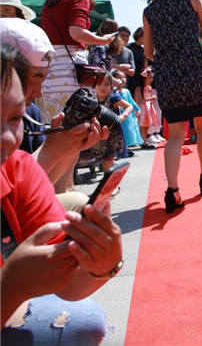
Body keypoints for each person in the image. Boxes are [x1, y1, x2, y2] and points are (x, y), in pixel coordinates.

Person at [1, 44, 123, 344]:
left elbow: (70, 286)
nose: (8, 137)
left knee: (87, 320)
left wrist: (102, 265)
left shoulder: (15, 166)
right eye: (36, 77)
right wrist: (11, 288)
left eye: (15, 118)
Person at [143, 0, 202, 213]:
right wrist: (187, 37)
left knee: (175, 134)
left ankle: (173, 190)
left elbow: (149, 52)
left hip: (169, 76)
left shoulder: (149, 12)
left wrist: (169, 53)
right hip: (196, 71)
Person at [37, 0, 116, 193]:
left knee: (55, 139)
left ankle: (53, 191)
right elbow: (75, 31)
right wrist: (100, 39)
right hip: (70, 77)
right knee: (74, 137)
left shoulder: (51, 3)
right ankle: (64, 191)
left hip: (50, 75)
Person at [1, 18, 107, 187]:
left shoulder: (31, 113)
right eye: (34, 79)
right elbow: (16, 193)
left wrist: (69, 146)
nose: (39, 92)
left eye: (43, 79)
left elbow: (43, 184)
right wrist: (51, 150)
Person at [112, 69, 144, 155]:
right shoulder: (113, 92)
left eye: (123, 77)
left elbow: (131, 102)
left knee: (128, 131)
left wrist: (137, 109)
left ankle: (125, 148)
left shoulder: (126, 91)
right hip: (119, 114)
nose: (122, 79)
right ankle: (119, 149)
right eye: (119, 78)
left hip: (128, 116)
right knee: (120, 131)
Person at [138, 67, 165, 147]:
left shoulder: (149, 87)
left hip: (148, 108)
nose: (151, 80)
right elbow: (140, 100)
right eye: (149, 78)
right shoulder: (138, 89)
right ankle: (143, 141)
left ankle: (145, 140)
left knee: (147, 125)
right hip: (143, 109)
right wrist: (151, 98)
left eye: (152, 78)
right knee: (142, 125)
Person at [126, 26, 147, 104]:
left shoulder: (144, 51)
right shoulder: (128, 47)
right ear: (140, 35)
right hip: (128, 77)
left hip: (138, 79)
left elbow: (144, 66)